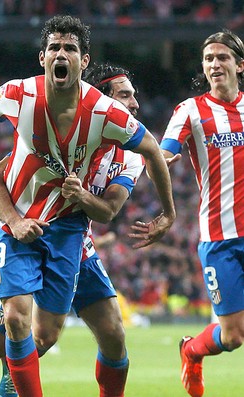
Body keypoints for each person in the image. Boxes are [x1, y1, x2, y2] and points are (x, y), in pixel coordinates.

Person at [0, 15, 175, 397]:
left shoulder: (109, 122)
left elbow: (145, 157)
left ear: (83, 61)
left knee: (48, 335)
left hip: (70, 233)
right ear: (43, 57)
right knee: (16, 321)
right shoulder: (21, 96)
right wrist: (15, 220)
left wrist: (166, 212)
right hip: (17, 227)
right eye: (55, 48)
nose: (61, 54)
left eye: (70, 48)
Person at [130, 29, 244, 397]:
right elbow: (159, 154)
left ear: (239, 65)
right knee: (233, 336)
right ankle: (192, 351)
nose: (214, 64)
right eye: (209, 58)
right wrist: (159, 162)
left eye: (222, 57)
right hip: (220, 237)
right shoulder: (190, 110)